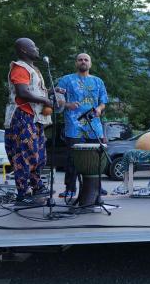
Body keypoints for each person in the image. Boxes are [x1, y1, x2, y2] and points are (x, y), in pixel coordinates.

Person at [4, 38, 58, 205]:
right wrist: (46, 101)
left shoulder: (33, 69)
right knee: (23, 155)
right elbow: (22, 93)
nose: (37, 48)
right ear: (24, 50)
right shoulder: (20, 68)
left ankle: (37, 186)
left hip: (34, 118)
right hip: (21, 117)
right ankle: (23, 192)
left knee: (38, 155)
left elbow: (33, 91)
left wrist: (51, 91)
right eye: (33, 46)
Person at [57, 53, 108, 198]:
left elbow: (103, 101)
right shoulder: (66, 80)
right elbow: (57, 101)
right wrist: (68, 104)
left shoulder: (98, 81)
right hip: (73, 124)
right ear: (76, 63)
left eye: (86, 60)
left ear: (90, 64)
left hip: (94, 124)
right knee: (72, 157)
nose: (83, 62)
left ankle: (96, 187)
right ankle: (70, 189)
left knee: (96, 156)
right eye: (80, 59)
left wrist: (99, 109)